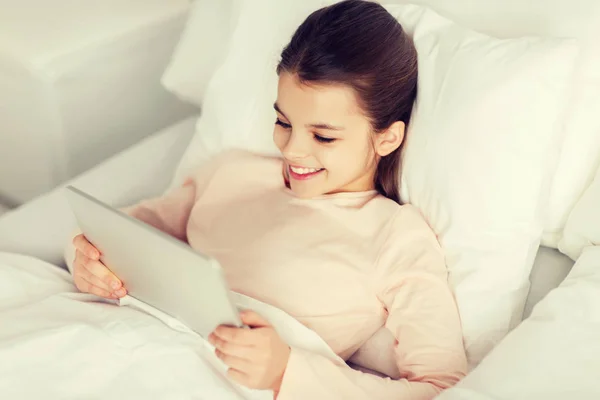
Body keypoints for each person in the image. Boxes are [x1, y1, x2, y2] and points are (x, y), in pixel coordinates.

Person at [66, 1, 467, 399]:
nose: (292, 150)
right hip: (120, 347)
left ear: (387, 138)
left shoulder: (395, 237)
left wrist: (286, 372)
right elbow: (119, 232)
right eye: (283, 122)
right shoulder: (232, 172)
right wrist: (85, 260)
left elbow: (442, 387)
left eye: (323, 136)